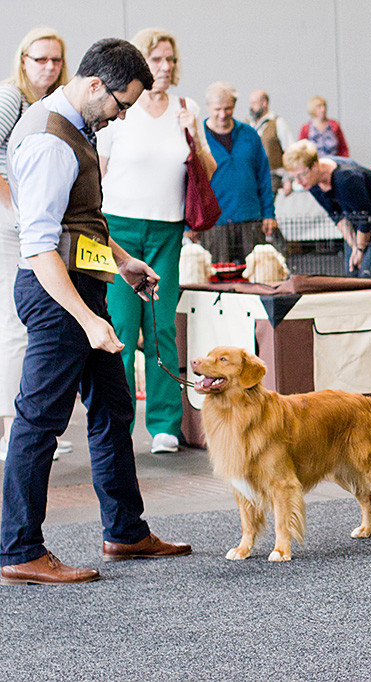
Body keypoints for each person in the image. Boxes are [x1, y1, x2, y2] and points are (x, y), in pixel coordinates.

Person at [1, 37, 191, 586]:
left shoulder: (78, 128)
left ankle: (126, 533)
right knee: (39, 422)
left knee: (112, 411)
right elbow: (39, 247)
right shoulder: (48, 140)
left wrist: (124, 261)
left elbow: (79, 222)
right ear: (92, 86)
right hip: (58, 299)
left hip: (85, 288)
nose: (122, 115)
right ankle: (18, 549)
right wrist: (86, 319)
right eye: (120, 104)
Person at [97, 28, 215, 456]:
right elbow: (99, 171)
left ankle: (165, 424)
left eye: (170, 60)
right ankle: (118, 422)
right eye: (156, 60)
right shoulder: (120, 110)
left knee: (162, 326)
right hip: (120, 227)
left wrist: (194, 135)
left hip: (168, 229)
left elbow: (208, 171)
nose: (164, 68)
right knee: (123, 327)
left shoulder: (187, 108)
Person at [0, 28, 69, 463]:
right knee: (15, 328)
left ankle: (32, 425)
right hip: (14, 227)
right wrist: (14, 212)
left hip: (39, 227)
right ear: (23, 59)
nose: (48, 67)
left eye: (56, 61)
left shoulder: (51, 105)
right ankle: (15, 429)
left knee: (34, 327)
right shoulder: (10, 98)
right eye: (40, 59)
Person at [283, 140, 371, 278]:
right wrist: (354, 246)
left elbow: (364, 219)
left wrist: (360, 249)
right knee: (351, 273)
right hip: (360, 217)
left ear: (315, 165)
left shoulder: (345, 178)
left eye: (301, 174)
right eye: (294, 177)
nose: (298, 181)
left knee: (369, 273)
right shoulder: (312, 182)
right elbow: (337, 216)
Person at [199, 81, 279, 265]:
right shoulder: (198, 137)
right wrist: (190, 224)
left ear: (234, 105)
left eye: (228, 108)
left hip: (250, 218)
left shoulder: (250, 134)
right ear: (207, 107)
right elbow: (191, 183)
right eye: (217, 109)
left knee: (257, 273)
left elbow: (263, 176)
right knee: (217, 277)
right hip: (214, 223)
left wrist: (269, 213)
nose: (222, 114)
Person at [247, 89, 294, 194]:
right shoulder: (248, 124)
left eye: (254, 103)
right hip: (251, 174)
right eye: (250, 103)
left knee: (265, 201)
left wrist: (288, 179)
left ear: (264, 103)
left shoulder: (278, 122)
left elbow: (290, 152)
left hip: (273, 174)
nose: (251, 107)